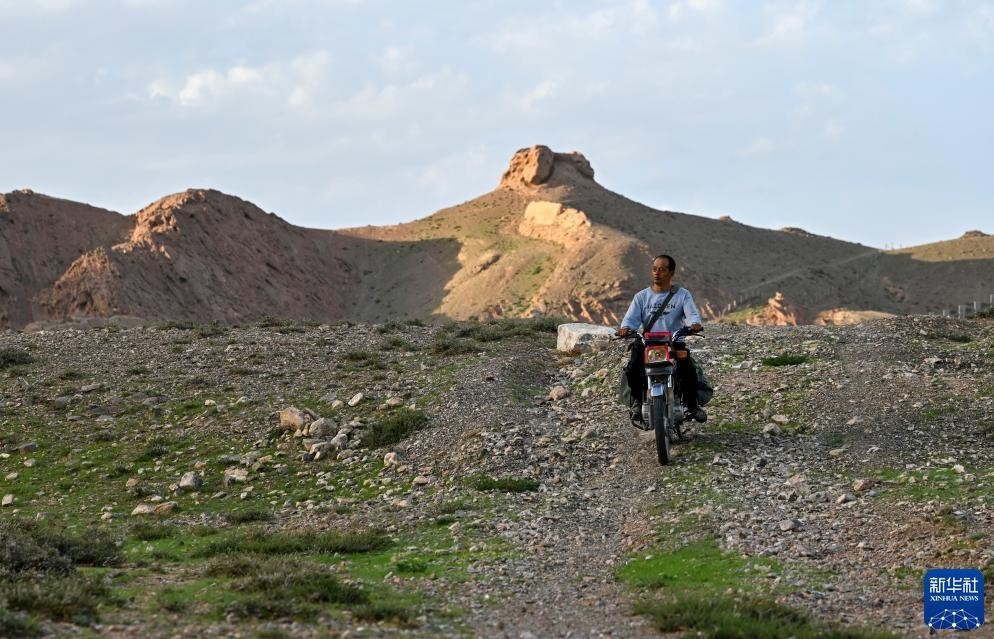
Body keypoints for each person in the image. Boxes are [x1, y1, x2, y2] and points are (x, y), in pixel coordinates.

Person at [616, 254, 707, 425]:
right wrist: (625, 328)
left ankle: (692, 404)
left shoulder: (682, 295)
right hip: (647, 342)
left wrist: (694, 324)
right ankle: (637, 402)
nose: (657, 273)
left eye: (662, 269)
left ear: (671, 273)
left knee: (688, 369)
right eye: (654, 269)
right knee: (633, 367)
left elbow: (692, 314)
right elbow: (630, 319)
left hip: (674, 341)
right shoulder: (641, 297)